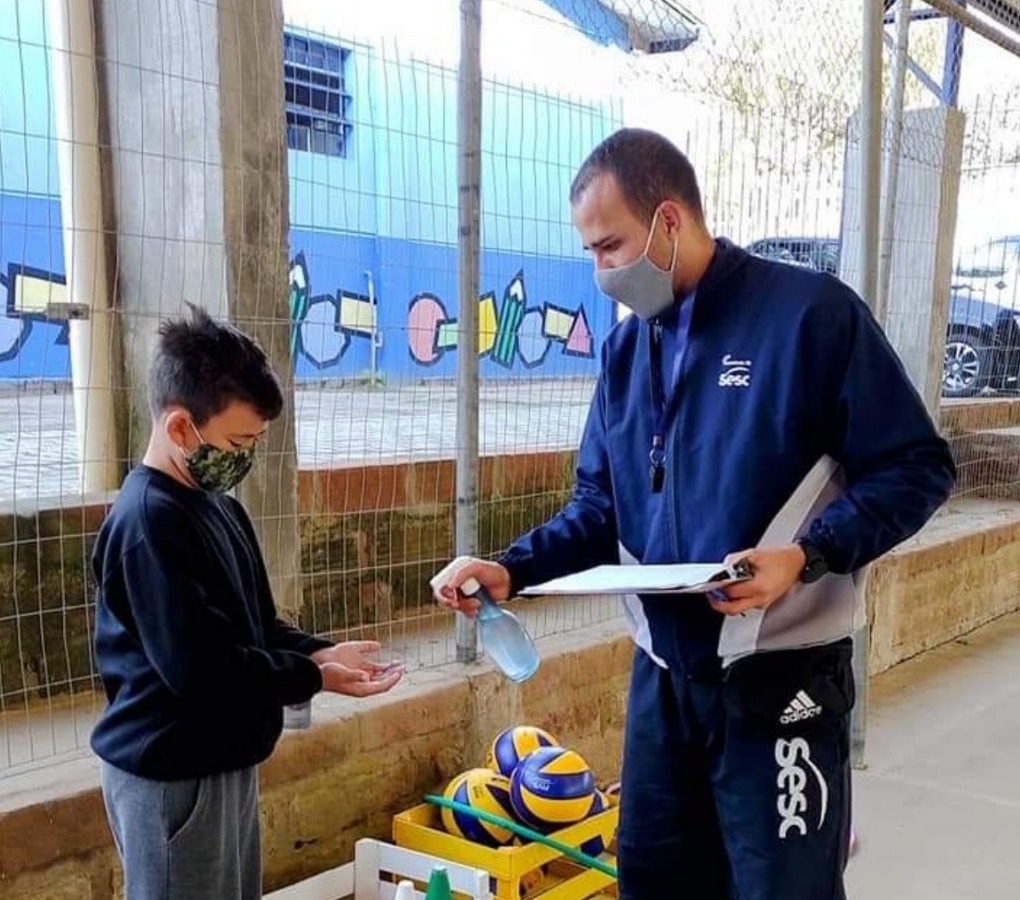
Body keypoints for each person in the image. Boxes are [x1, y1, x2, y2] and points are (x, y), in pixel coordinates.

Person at [431, 128, 955, 900]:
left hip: (781, 680)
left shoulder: (809, 318)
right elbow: (598, 507)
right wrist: (512, 568)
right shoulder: (623, 354)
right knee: (653, 879)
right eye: (591, 251)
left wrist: (806, 556)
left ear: (670, 222)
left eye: (611, 246)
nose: (602, 271)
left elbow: (917, 467)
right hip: (664, 681)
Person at [91, 305, 403, 900]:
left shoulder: (217, 505)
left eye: (255, 442)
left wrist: (322, 652)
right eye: (237, 441)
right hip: (170, 772)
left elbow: (255, 630)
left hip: (220, 757)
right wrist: (311, 675)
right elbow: (201, 670)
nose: (244, 457)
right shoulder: (148, 526)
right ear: (181, 428)